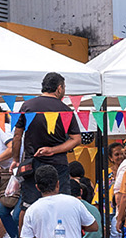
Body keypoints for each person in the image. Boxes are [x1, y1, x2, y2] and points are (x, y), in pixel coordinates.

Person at [17, 74, 82, 207]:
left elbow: (17, 136)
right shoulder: (65, 110)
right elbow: (76, 139)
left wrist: (15, 160)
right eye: (64, 88)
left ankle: (25, 229)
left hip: (32, 163)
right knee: (62, 204)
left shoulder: (27, 106)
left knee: (28, 206)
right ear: (59, 88)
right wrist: (53, 150)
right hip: (58, 164)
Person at [18, 163, 97, 238]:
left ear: (37, 187)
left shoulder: (31, 210)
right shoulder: (74, 202)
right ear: (58, 184)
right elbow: (93, 226)